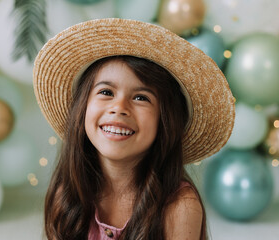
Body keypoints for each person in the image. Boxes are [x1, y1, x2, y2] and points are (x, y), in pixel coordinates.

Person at [33, 18, 235, 240]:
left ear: (165, 120)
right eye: (106, 92)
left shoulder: (180, 206)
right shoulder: (67, 195)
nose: (119, 108)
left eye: (141, 97)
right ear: (82, 108)